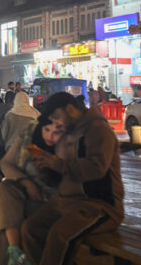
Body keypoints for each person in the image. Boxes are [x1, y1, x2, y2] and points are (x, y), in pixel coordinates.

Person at [21, 92, 124, 265]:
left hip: (100, 206)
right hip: (67, 202)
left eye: (56, 116)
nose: (56, 122)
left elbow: (96, 168)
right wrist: (44, 169)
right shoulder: (66, 134)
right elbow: (60, 176)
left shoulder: (98, 129)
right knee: (30, 229)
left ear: (70, 109)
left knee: (59, 235)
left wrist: (57, 164)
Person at [0, 113, 65, 265]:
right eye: (46, 129)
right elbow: (6, 164)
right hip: (25, 196)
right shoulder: (29, 136)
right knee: (5, 188)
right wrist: (27, 182)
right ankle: (16, 252)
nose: (50, 134)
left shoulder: (67, 144)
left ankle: (15, 253)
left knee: (6, 225)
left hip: (48, 202)